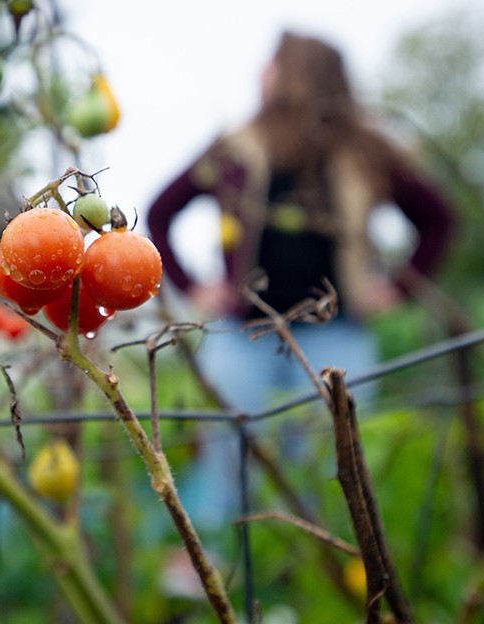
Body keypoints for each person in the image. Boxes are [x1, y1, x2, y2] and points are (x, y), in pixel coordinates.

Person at [146, 31, 456, 531]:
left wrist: (399, 289)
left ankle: (319, 566)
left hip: (338, 336)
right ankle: (222, 564)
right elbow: (161, 212)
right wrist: (192, 285)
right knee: (230, 466)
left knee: (331, 475)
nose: (260, 74)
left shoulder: (364, 152)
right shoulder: (234, 149)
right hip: (243, 333)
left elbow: (438, 217)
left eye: (271, 62)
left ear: (298, 73)